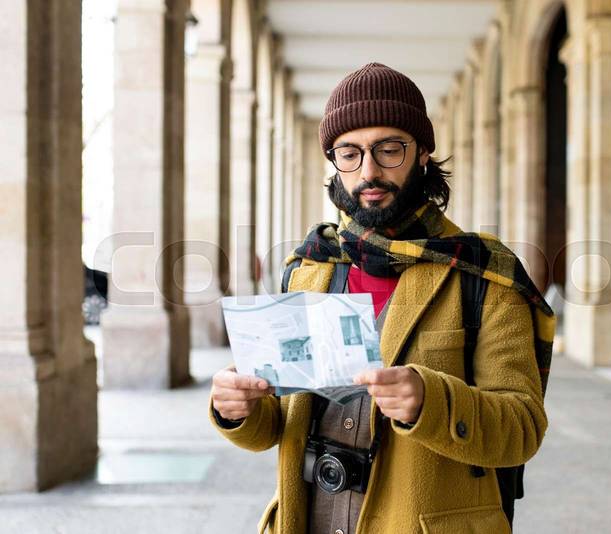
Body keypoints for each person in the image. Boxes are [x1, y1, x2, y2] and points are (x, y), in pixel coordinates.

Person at [209, 62, 554, 534]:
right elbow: (282, 423)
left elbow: (522, 428)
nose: (368, 171)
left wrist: (430, 401)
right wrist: (236, 409)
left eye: (389, 150)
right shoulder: (311, 267)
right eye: (349, 154)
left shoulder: (482, 272)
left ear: (423, 155)